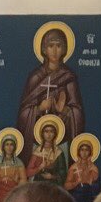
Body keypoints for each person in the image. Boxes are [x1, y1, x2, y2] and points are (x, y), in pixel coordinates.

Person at [17, 26, 84, 167]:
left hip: (62, 140)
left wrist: (64, 110)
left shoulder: (68, 76)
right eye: (50, 46)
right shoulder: (35, 77)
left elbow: (77, 112)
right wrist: (39, 108)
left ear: (64, 49)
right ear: (44, 49)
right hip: (37, 141)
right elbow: (23, 113)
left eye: (58, 46)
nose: (54, 50)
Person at [65, 135, 100, 202]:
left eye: (86, 150)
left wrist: (91, 183)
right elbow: (66, 186)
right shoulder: (74, 168)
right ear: (78, 152)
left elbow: (97, 189)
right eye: (82, 150)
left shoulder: (93, 169)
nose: (84, 153)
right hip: (76, 197)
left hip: (89, 198)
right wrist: (76, 183)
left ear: (90, 152)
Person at [27, 120, 67, 186]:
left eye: (51, 131)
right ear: (42, 134)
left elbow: (63, 173)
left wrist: (52, 177)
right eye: (46, 131)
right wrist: (39, 168)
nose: (49, 134)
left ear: (55, 134)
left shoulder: (58, 152)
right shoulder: (37, 151)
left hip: (54, 185)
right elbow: (28, 172)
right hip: (38, 184)